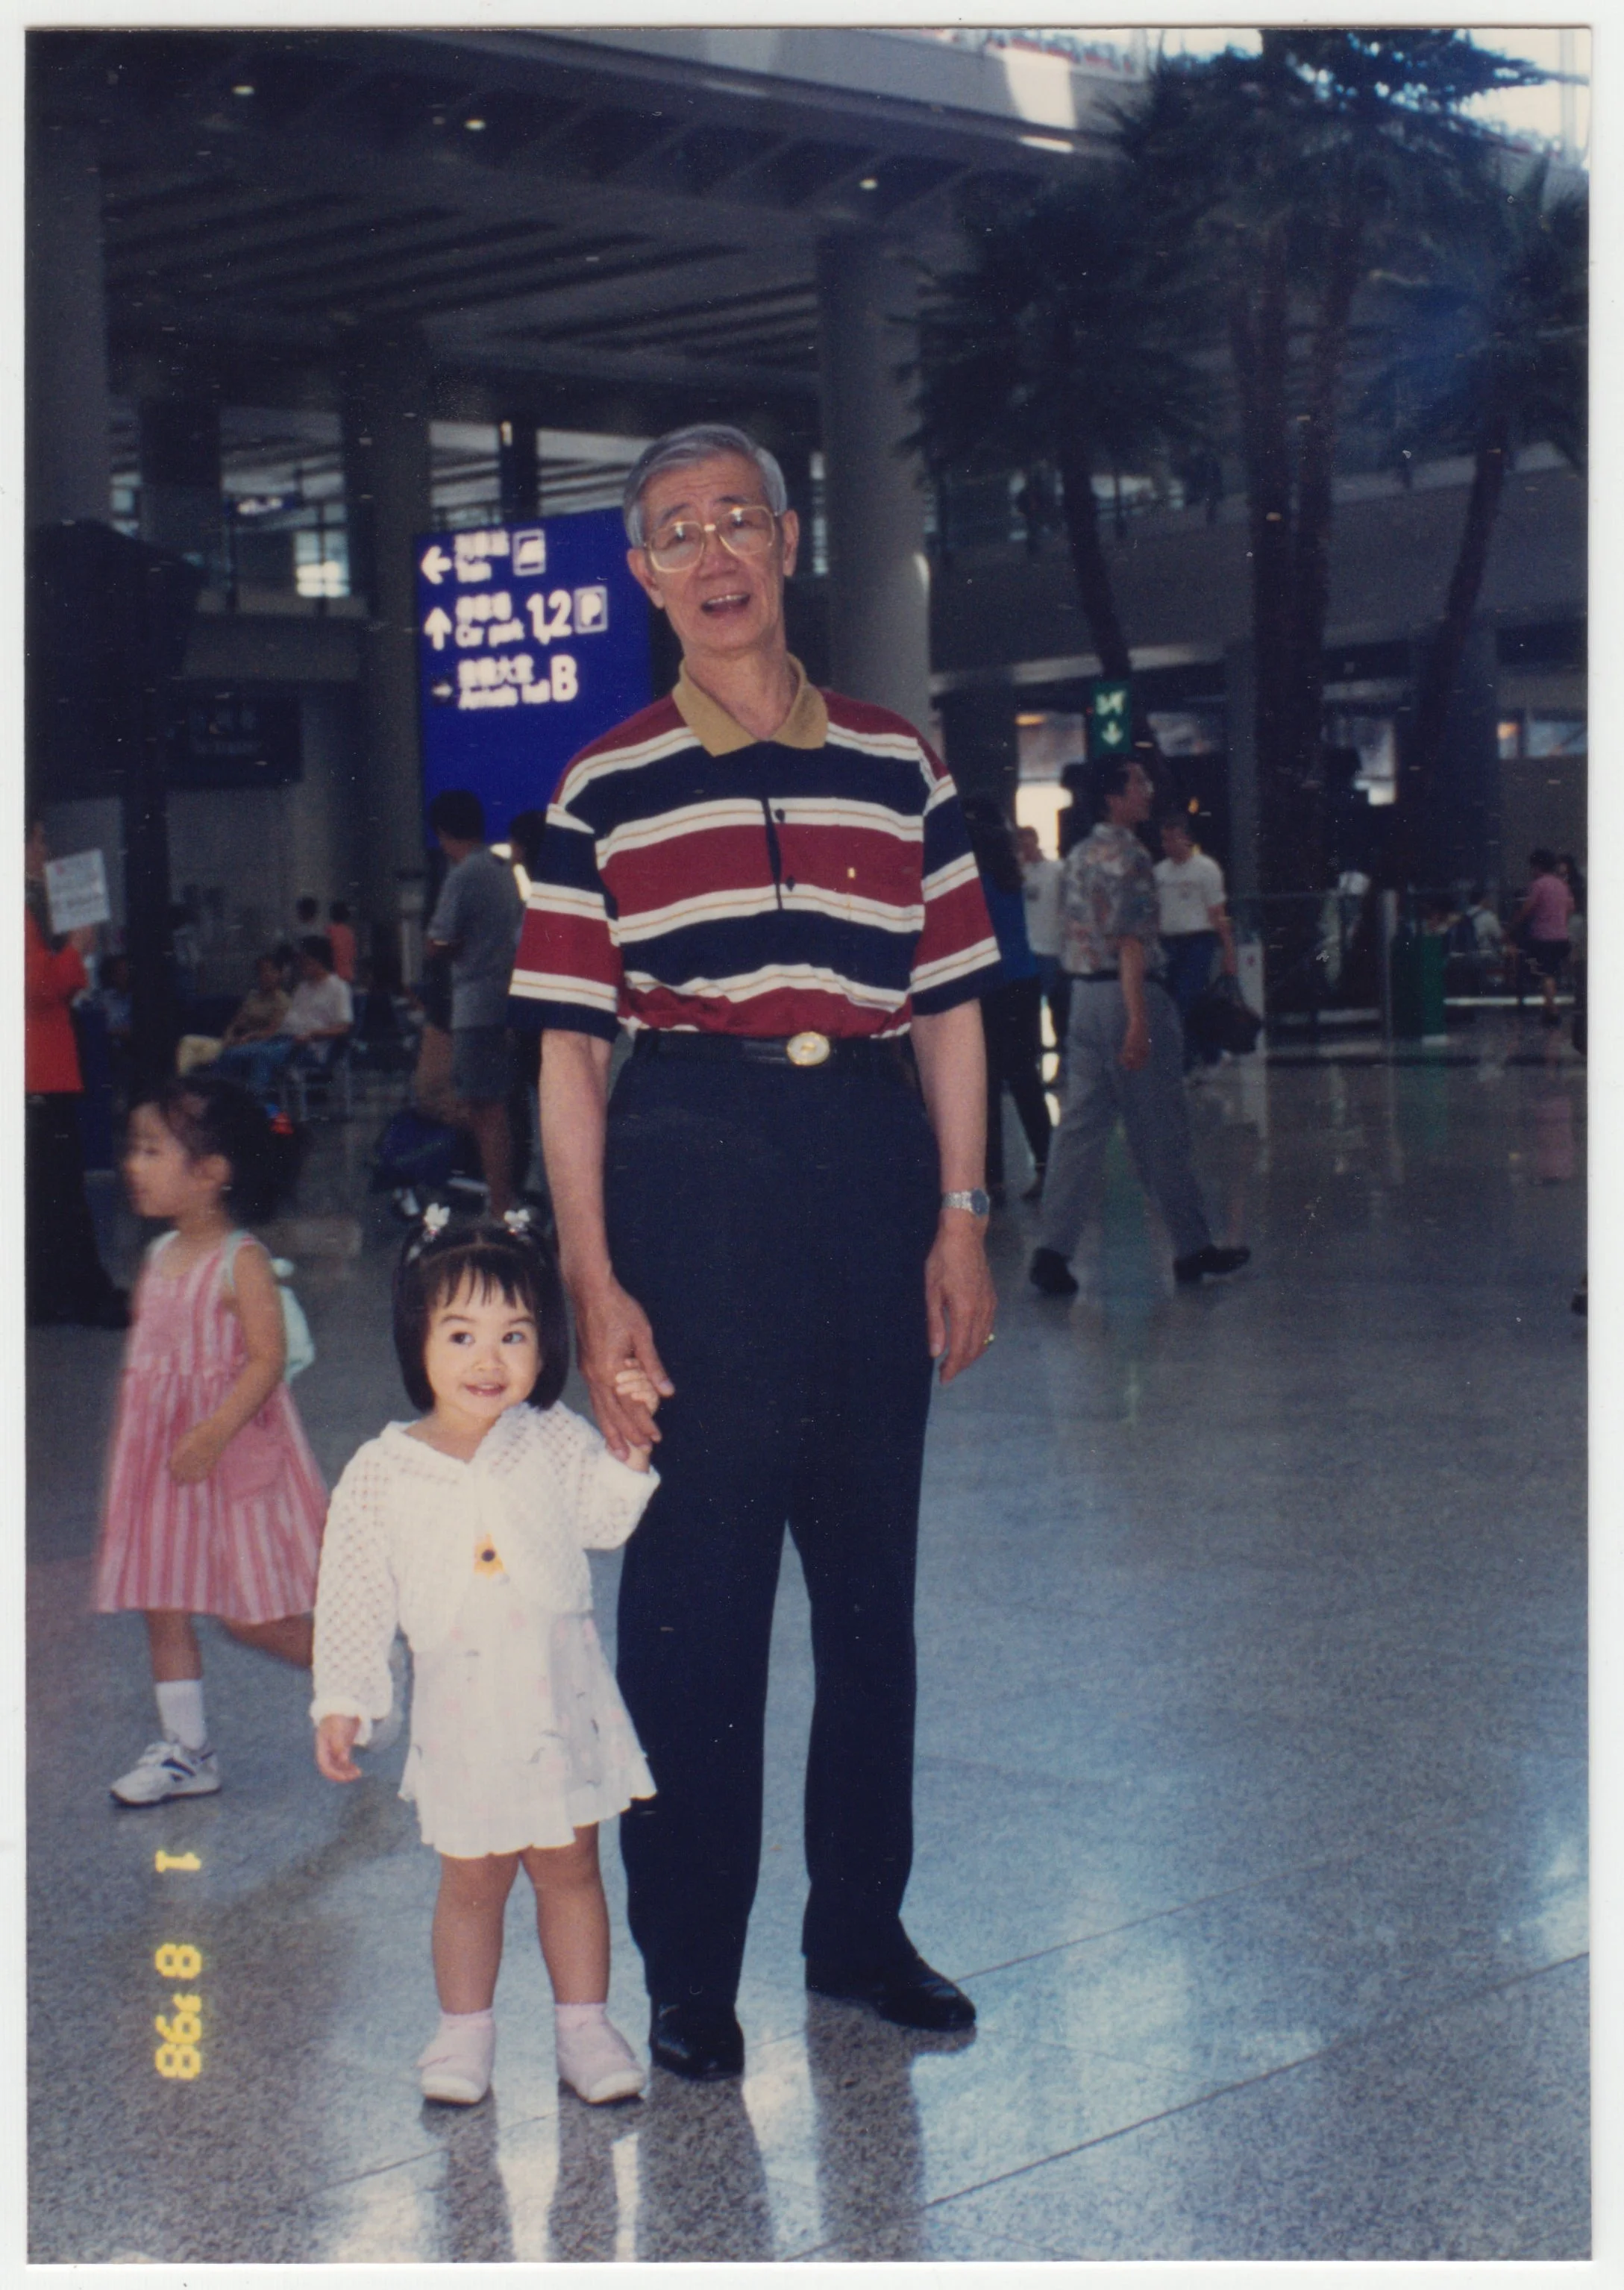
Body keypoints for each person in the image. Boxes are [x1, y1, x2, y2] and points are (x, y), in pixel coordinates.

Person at [515, 421, 999, 2084]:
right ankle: (686, 1972)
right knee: (694, 1603)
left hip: (870, 1166)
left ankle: (858, 1933)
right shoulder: (600, 787)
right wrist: (591, 1274)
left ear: (785, 543)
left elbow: (945, 1004)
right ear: (645, 578)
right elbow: (570, 1054)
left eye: (737, 518)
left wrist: (959, 1213)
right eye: (675, 532)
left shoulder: (895, 759)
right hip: (692, 1166)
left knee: (872, 1596)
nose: (712, 552)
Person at [311, 1212, 659, 2108]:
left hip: (557, 1694)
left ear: (544, 1345)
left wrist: (628, 1446)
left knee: (570, 1864)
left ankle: (584, 2024)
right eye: (460, 1334)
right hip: (462, 1706)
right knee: (471, 1877)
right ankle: (462, 2032)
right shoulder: (384, 1470)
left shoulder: (550, 1438)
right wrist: (346, 1696)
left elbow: (602, 1524)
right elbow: (354, 1593)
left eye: (514, 1335)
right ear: (416, 1340)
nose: (489, 1358)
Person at [95, 1074, 325, 1804]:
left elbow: (266, 1359)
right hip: (164, 1462)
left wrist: (213, 1430)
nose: (134, 1165)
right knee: (161, 1597)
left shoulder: (240, 1261)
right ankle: (187, 1750)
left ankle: (357, 1670)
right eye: (134, 1149)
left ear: (212, 1173)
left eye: (152, 1149)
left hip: (231, 1457)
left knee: (250, 1616)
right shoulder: (158, 1256)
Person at [1030, 756, 1250, 1298]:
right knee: (1161, 1129)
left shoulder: (1078, 855)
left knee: (1078, 1134)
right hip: (1130, 998)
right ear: (1113, 796)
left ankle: (1051, 1252)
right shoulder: (1130, 857)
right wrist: (1137, 1023)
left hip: (1082, 1000)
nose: (1147, 791)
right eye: (1138, 783)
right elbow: (1129, 942)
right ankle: (1192, 1248)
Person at [25, 817, 128, 1328]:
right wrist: (76, 951)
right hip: (37, 1072)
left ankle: (52, 1294)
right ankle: (81, 1292)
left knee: (49, 1192)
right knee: (59, 1190)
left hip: (41, 1072)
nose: (47, 851)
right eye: (40, 840)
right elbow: (38, 987)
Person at [426, 790, 525, 1219]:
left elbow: (438, 941)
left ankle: (500, 1203)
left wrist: (444, 947)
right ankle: (504, 1196)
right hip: (503, 1000)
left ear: (443, 832)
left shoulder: (463, 875)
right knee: (494, 1107)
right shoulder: (501, 871)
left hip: (475, 1006)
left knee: (485, 1111)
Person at [963, 797, 1052, 1203]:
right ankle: (1047, 1166)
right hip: (1023, 979)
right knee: (1025, 1078)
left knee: (987, 1082)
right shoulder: (1010, 875)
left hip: (989, 986)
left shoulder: (972, 880)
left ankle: (993, 1178)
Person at [213, 935, 352, 1103]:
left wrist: (313, 1034)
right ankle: (220, 1103)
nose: (299, 965)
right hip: (281, 1039)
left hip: (308, 1046)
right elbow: (288, 1022)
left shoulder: (338, 988)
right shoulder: (303, 987)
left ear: (316, 960)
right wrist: (255, 1035)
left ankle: (252, 1107)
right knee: (231, 1054)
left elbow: (344, 1027)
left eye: (303, 960)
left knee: (264, 1056)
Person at [1153, 812, 1237, 1067]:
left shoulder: (1206, 869)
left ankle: (1186, 1061)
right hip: (1169, 942)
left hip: (1198, 941)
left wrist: (1228, 950)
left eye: (1173, 839)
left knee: (1185, 999)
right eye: (1164, 840)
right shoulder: (1159, 873)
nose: (1168, 845)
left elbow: (1217, 913)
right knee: (1177, 1002)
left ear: (1187, 839)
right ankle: (1209, 1053)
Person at [1018, 823, 1069, 1077]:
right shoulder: (1017, 874)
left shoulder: (1057, 870)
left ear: (1036, 842)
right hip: (1027, 949)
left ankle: (1063, 1063)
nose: (1026, 848)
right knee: (1028, 1010)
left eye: (1029, 843)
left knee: (1056, 1006)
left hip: (1050, 948)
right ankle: (1033, 1062)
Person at [1510, 848, 1575, 1026]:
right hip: (1562, 937)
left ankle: (1553, 1011)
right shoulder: (1562, 885)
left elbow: (1527, 908)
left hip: (1542, 937)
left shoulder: (1539, 884)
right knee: (1551, 973)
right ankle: (1548, 1010)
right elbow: (1571, 908)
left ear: (1538, 866)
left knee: (1546, 974)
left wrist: (1514, 925)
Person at [327, 900, 357, 985]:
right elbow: (353, 956)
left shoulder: (329, 931)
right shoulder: (350, 933)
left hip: (334, 975)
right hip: (348, 975)